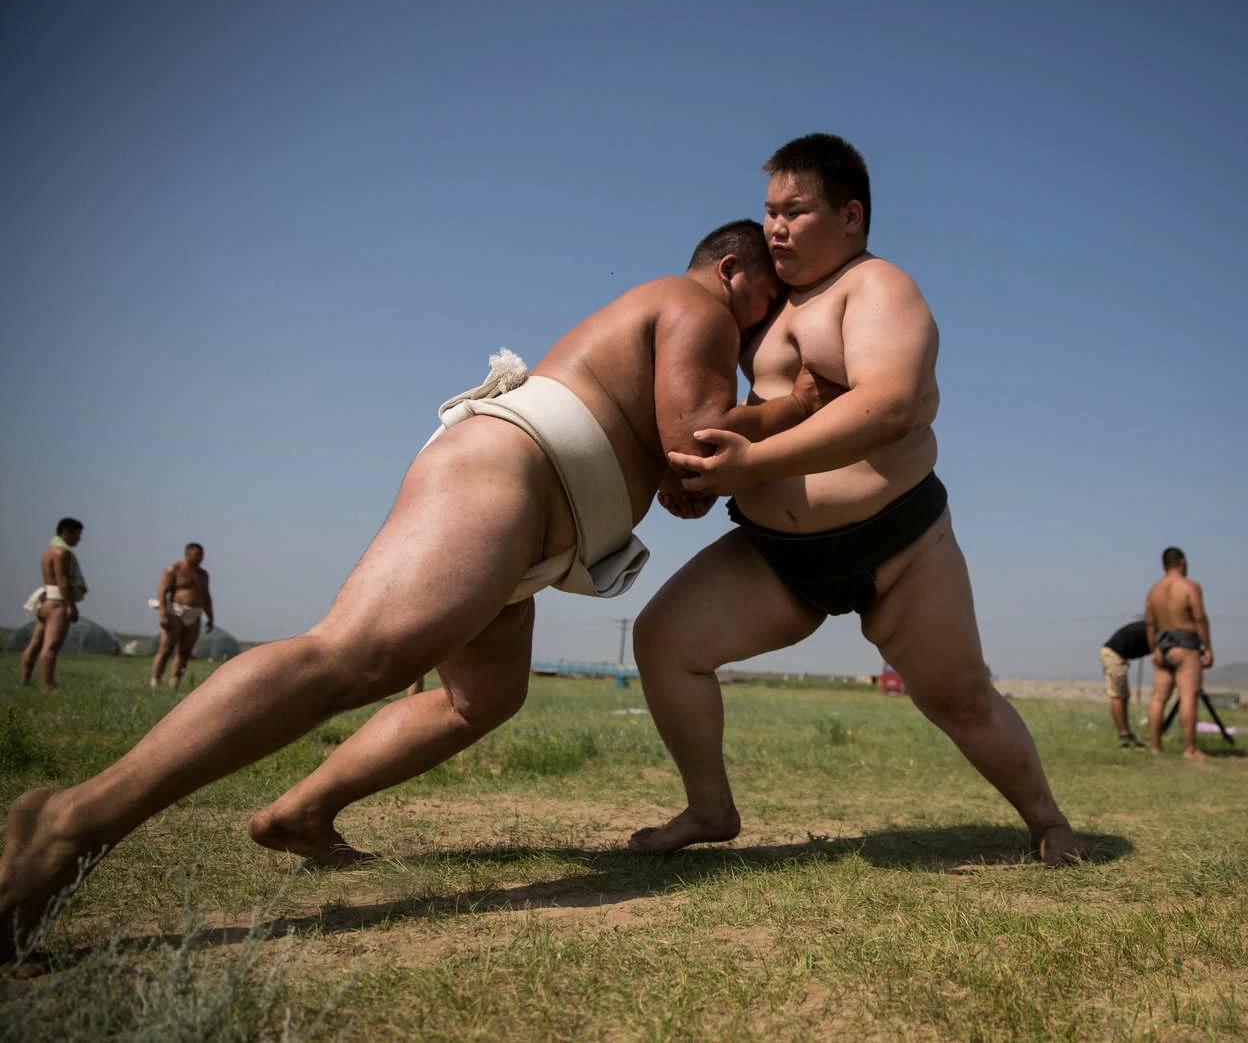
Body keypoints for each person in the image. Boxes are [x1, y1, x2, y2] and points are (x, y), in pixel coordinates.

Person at [1, 219, 814, 961]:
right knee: (355, 653)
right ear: (732, 267)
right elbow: (694, 443)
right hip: (508, 480)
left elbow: (683, 468)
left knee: (481, 697)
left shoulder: (691, 319)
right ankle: (70, 823)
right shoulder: (697, 301)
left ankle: (302, 811)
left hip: (536, 531)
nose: (759, 331)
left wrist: (694, 469)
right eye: (766, 304)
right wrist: (793, 408)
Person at [626, 134, 1086, 866]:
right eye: (769, 212)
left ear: (850, 215)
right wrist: (704, 467)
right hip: (778, 557)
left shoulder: (878, 288)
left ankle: (1048, 820)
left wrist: (752, 460)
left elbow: (890, 406)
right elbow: (765, 414)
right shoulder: (765, 316)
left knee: (959, 698)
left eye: (795, 211)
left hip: (901, 547)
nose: (775, 227)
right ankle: (709, 807)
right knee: (663, 642)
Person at [1143, 546, 1213, 759]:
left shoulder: (1153, 591)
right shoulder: (1189, 587)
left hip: (1161, 647)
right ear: (1182, 562)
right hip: (1185, 647)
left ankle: (1155, 747)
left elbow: (1149, 624)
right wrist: (1207, 646)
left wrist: (1154, 650)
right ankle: (1190, 749)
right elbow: (1199, 617)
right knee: (1188, 696)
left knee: (1158, 698)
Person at [18, 519, 87, 692]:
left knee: (35, 644)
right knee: (51, 647)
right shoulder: (61, 552)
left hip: (46, 601)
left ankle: (25, 680)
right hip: (57, 604)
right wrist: (71, 605)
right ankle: (49, 686)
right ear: (66, 532)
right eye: (77, 534)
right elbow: (62, 580)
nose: (79, 539)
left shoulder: (48, 551)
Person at [149, 543, 215, 690]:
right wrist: (163, 614)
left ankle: (175, 682)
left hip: (195, 614)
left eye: (202, 554)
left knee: (185, 650)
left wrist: (210, 617)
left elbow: (206, 596)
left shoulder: (203, 574)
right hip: (176, 612)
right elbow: (162, 592)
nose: (201, 557)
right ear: (187, 554)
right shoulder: (174, 570)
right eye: (197, 554)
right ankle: (155, 680)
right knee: (166, 648)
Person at [1099, 620, 1149, 747]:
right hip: (1114, 655)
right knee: (1118, 695)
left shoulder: (1151, 626)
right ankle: (1124, 734)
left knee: (1123, 695)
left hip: (1117, 655)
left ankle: (1126, 733)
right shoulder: (1156, 629)